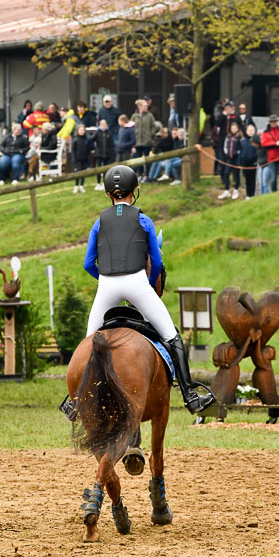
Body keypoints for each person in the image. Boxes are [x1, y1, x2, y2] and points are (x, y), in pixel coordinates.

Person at [83, 164, 216, 415]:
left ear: (109, 194)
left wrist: (103, 280)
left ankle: (76, 400)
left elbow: (88, 263)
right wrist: (149, 284)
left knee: (89, 342)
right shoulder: (144, 220)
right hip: (137, 283)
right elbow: (155, 262)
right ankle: (190, 395)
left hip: (107, 287)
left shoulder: (98, 223)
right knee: (171, 334)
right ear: (134, 192)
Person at [131, 99, 156, 180]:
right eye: (145, 106)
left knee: (147, 159)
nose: (146, 107)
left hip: (147, 141)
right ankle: (140, 175)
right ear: (140, 106)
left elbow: (154, 127)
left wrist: (150, 135)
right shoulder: (134, 116)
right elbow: (131, 127)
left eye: (147, 106)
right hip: (137, 141)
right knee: (139, 159)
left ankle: (147, 175)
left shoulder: (150, 115)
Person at [219, 121, 243, 200]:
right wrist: (227, 153)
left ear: (237, 129)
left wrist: (238, 153)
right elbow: (225, 146)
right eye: (232, 128)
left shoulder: (240, 137)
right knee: (226, 174)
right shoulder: (228, 136)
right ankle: (226, 190)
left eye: (235, 128)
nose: (234, 129)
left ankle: (236, 190)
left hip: (237, 158)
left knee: (236, 175)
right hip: (229, 158)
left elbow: (241, 147)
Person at [93, 119, 115, 190]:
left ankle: (105, 183)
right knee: (99, 169)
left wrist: (112, 154)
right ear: (100, 125)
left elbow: (112, 144)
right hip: (99, 154)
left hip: (107, 154)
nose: (103, 126)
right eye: (102, 125)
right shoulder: (97, 132)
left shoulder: (109, 133)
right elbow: (92, 139)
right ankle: (98, 183)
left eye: (105, 125)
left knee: (106, 170)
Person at [239, 123, 259, 199]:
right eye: (249, 130)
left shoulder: (257, 140)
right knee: (247, 180)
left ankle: (253, 194)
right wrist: (240, 163)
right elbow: (240, 152)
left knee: (253, 180)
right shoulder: (243, 141)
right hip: (245, 164)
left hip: (253, 163)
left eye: (252, 130)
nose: (251, 132)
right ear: (246, 131)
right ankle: (248, 195)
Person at [72, 124, 93, 193]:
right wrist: (74, 160)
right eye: (80, 130)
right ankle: (76, 186)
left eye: (83, 130)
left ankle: (81, 185)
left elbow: (89, 150)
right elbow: (73, 151)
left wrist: (88, 159)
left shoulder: (86, 139)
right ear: (77, 131)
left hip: (85, 159)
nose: (82, 131)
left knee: (83, 172)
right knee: (78, 172)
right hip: (78, 159)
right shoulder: (75, 140)